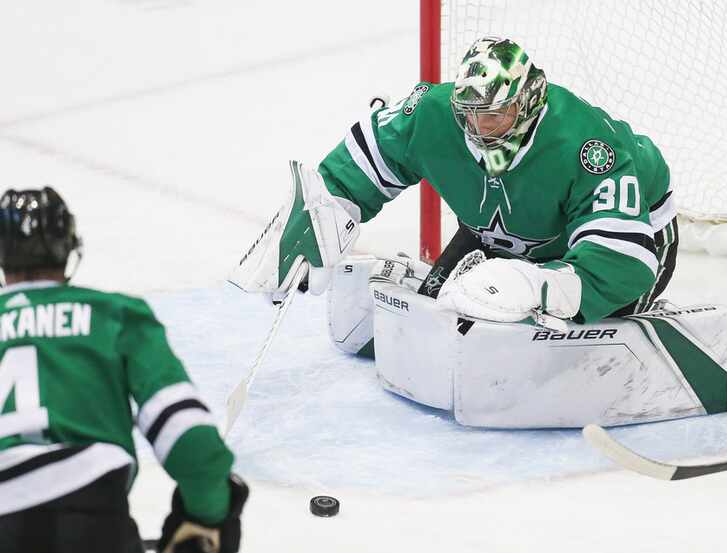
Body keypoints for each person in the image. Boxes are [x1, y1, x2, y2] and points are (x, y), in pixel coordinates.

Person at [262, 35, 677, 327]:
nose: (479, 128)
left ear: (528, 101)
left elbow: (625, 260)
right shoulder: (436, 112)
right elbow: (368, 155)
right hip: (497, 236)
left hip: (630, 242)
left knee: (523, 329)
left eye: (494, 114)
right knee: (439, 318)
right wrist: (325, 214)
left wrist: (541, 287)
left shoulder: (588, 146)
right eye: (469, 113)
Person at [0, 187, 247, 553]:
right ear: (69, 251)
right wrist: (205, 518)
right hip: (94, 526)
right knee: (221, 505)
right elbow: (193, 444)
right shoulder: (114, 315)